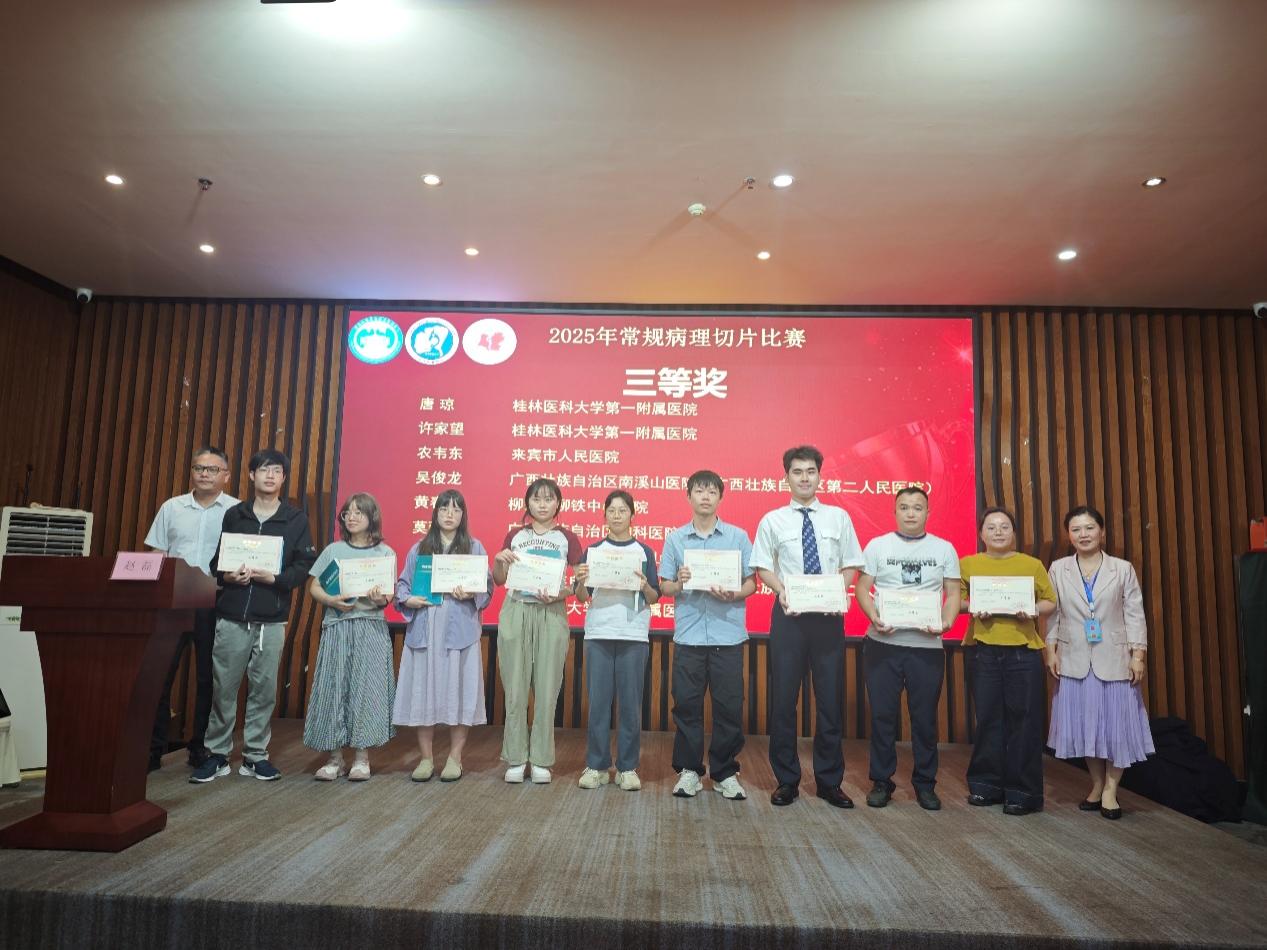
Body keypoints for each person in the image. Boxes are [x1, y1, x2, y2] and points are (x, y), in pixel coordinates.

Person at [191, 449, 317, 784]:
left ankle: (255, 756)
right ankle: (217, 754)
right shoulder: (235, 515)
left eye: (276, 471)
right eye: (263, 470)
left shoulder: (295, 519)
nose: (270, 476)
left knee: (264, 690)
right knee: (223, 688)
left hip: (271, 618)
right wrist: (228, 576)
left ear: (283, 478)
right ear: (251, 475)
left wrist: (275, 578)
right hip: (232, 615)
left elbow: (303, 566)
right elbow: (218, 562)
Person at [752, 446, 864, 809]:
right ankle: (787, 780)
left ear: (819, 476)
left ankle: (830, 782)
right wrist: (782, 590)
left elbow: (851, 563)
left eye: (810, 471)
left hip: (828, 619)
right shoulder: (772, 520)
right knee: (784, 701)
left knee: (829, 701)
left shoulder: (838, 517)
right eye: (797, 472)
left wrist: (837, 590)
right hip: (789, 617)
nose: (804, 478)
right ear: (786, 477)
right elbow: (763, 567)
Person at [853, 486, 961, 810]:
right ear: (895, 511)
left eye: (917, 507)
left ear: (928, 512)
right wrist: (874, 617)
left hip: (926, 647)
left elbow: (953, 593)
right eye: (904, 507)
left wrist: (946, 622)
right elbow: (862, 588)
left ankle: (925, 784)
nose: (910, 513)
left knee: (924, 720)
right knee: (882, 717)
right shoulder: (877, 546)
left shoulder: (944, 549)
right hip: (882, 645)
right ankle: (881, 782)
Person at [1045, 505, 1154, 819]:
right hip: (1074, 657)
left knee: (1116, 727)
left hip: (1114, 658)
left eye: (1090, 528)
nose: (1083, 534)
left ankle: (1111, 789)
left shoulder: (1122, 569)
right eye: (1076, 529)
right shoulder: (1059, 569)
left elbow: (1135, 615)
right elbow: (1052, 614)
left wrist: (1138, 656)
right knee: (1086, 726)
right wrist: (1050, 650)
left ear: (1102, 532)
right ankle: (1096, 784)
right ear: (1069, 535)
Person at [659, 470, 756, 800]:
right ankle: (689, 771)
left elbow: (751, 582)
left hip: (727, 636)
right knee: (687, 706)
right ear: (688, 496)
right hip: (689, 637)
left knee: (729, 707)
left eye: (711, 491)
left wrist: (735, 594)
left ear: (720, 498)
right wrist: (680, 582)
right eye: (699, 491)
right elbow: (664, 586)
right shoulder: (675, 539)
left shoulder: (738, 537)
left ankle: (725, 772)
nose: (705, 497)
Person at [143, 446, 238, 770]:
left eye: (212, 469)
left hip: (215, 601)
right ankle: (152, 749)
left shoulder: (237, 511)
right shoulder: (172, 507)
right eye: (199, 468)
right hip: (171, 602)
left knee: (208, 678)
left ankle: (201, 746)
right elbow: (157, 553)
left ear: (226, 475)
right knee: (159, 675)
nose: (205, 474)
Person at [958, 507, 1057, 815]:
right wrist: (973, 606)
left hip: (1023, 651)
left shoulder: (1031, 564)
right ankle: (985, 786)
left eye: (1004, 526)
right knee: (988, 718)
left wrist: (1033, 609)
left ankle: (1023, 792)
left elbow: (1050, 601)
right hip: (983, 650)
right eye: (991, 527)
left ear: (1014, 532)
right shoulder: (968, 563)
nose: (998, 532)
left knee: (1024, 721)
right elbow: (957, 600)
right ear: (981, 534)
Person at [394, 490, 492, 782]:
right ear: (435, 513)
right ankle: (426, 759)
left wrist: (471, 593)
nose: (450, 514)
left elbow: (486, 588)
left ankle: (454, 757)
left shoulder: (474, 547)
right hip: (426, 628)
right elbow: (402, 586)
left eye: (456, 509)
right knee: (423, 693)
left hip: (460, 631)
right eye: (444, 508)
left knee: (459, 693)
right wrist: (409, 599)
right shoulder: (419, 548)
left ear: (463, 515)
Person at [492, 477, 582, 784]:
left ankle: (542, 759)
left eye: (548, 499)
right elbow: (500, 579)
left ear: (558, 504)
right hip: (517, 609)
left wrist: (560, 593)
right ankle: (516, 758)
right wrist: (499, 561)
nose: (542, 504)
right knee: (515, 688)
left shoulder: (567, 538)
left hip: (551, 613)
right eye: (536, 499)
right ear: (527, 503)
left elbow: (579, 584)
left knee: (547, 687)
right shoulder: (515, 536)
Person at [303, 493, 396, 781]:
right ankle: (334, 759)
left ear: (372, 518)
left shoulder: (384, 553)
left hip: (370, 626)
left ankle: (362, 758)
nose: (352, 517)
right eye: (347, 513)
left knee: (366, 690)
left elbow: (388, 597)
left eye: (359, 512)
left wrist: (379, 598)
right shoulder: (334, 550)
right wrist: (331, 601)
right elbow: (315, 586)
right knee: (334, 687)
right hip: (338, 626)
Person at [573, 491, 660, 791]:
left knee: (630, 705)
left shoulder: (644, 552)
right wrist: (580, 581)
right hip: (599, 632)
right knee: (598, 704)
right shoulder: (593, 551)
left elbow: (654, 597)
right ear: (605, 515)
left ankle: (627, 767)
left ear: (633, 515)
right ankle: (596, 766)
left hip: (633, 635)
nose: (617, 515)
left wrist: (644, 585)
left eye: (623, 510)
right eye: (612, 510)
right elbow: (582, 597)